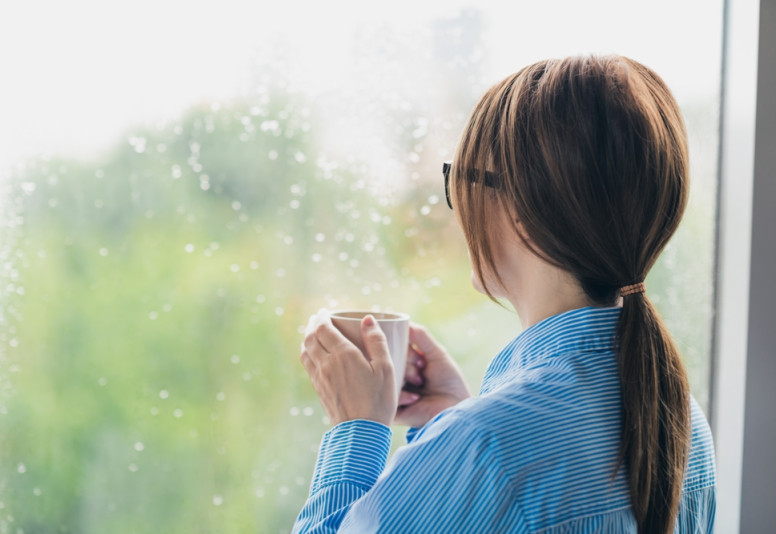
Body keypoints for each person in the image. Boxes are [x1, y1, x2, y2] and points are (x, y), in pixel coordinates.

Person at [293, 55, 716, 533]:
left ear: (523, 212)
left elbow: (506, 464)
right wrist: (450, 422)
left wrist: (356, 428)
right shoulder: (679, 422)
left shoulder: (485, 447)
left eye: (461, 178)